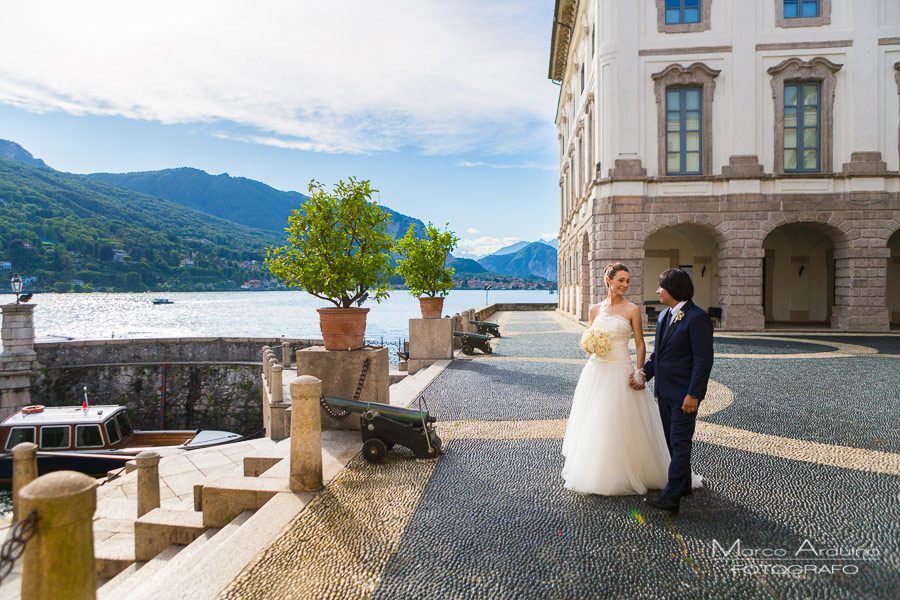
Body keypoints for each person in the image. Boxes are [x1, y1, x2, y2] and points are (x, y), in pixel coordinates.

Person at [561, 263, 702, 496]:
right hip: (596, 371)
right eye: (621, 280)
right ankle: (598, 469)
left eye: (628, 281)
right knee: (596, 420)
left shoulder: (632, 309)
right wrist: (592, 345)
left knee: (621, 421)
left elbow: (639, 344)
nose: (625, 285)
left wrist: (639, 371)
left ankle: (640, 472)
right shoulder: (594, 309)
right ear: (609, 280)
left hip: (620, 371)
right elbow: (589, 337)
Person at [632, 268, 714, 515]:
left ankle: (671, 498)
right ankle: (683, 484)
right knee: (669, 441)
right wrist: (645, 374)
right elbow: (659, 354)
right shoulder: (664, 315)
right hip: (664, 392)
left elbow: (703, 360)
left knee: (680, 442)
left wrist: (694, 394)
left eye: (661, 287)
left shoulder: (697, 318)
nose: (657, 291)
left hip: (684, 395)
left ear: (674, 290)